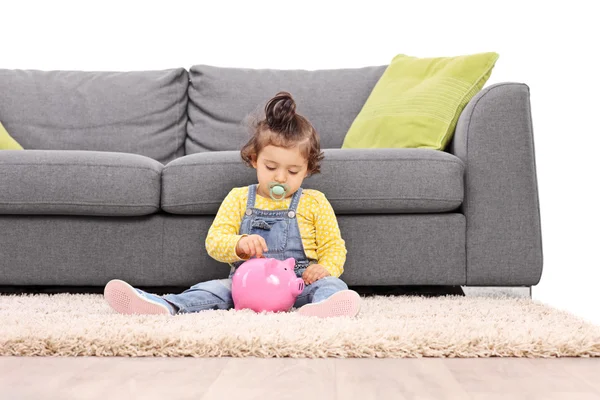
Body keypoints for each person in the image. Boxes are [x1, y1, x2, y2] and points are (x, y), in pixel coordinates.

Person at [104, 91, 361, 318]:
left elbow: (333, 246)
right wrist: (239, 244)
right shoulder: (239, 198)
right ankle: (165, 304)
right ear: (254, 159)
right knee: (212, 290)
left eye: (293, 171)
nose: (280, 178)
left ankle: (325, 308)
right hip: (246, 287)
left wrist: (324, 268)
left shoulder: (314, 202)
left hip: (298, 285)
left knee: (333, 287)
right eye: (270, 167)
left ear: (307, 170)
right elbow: (214, 241)